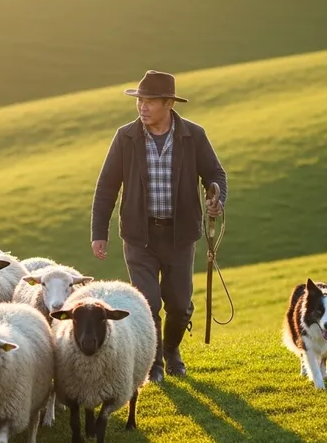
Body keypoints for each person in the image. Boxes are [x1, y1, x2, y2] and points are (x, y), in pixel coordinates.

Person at [90, 70, 228, 383]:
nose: (142, 107)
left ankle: (171, 349)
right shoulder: (125, 137)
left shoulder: (194, 135)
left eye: (149, 101)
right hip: (140, 236)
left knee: (179, 304)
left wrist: (216, 198)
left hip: (180, 237)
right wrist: (99, 233)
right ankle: (153, 361)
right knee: (148, 302)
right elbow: (107, 186)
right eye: (139, 100)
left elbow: (215, 175)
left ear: (168, 103)